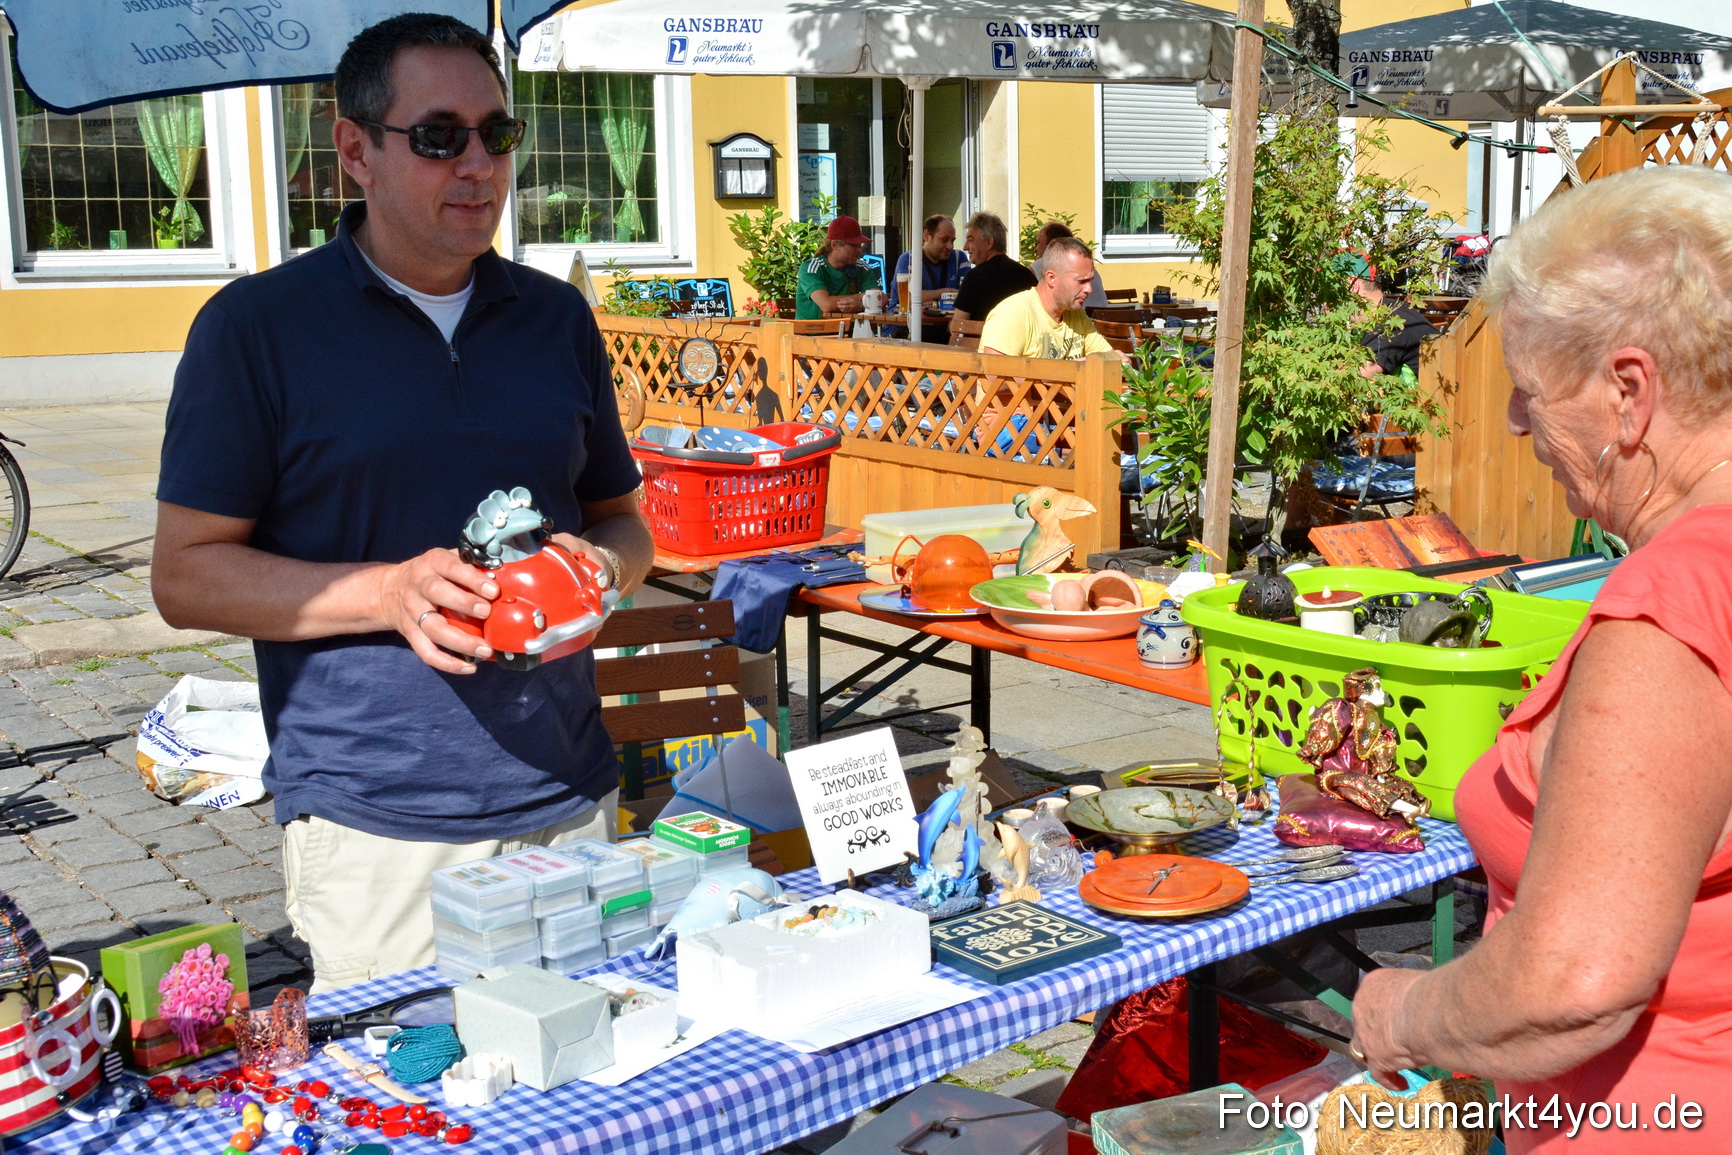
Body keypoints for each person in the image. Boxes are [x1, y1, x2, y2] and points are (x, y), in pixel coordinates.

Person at [150, 14, 654, 992]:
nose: (477, 164)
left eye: (495, 134)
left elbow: (623, 521)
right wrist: (387, 593)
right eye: (438, 136)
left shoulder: (554, 317)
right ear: (355, 151)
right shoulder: (257, 328)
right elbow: (185, 574)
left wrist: (602, 568)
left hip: (571, 792)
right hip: (382, 819)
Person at [1349, 165, 1732, 1153]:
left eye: (1529, 392)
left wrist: (1408, 1012)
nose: (1516, 425)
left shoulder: (1675, 597)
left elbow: (1577, 979)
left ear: (1628, 393)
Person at [980, 236, 1115, 361]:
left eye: (1090, 280)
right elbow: (995, 379)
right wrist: (1071, 370)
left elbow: (1112, 357)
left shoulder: (1076, 314)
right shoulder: (1013, 312)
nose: (1089, 289)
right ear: (1051, 278)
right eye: (1081, 281)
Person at [1341, 252, 1437, 380]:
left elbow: (1357, 377)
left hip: (1429, 398)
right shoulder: (1391, 309)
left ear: (1352, 285)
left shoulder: (1389, 322)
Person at [888, 214, 969, 343]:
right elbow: (908, 299)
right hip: (904, 329)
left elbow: (966, 297)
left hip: (945, 330)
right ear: (926, 236)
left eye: (952, 241)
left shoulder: (960, 258)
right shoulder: (908, 259)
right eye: (944, 240)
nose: (950, 246)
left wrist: (929, 298)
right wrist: (944, 293)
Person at [951, 211, 1036, 326]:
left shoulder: (974, 277)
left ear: (989, 243)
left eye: (971, 240)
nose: (965, 247)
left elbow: (958, 326)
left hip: (980, 343)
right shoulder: (1027, 276)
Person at [795, 215, 879, 320]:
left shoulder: (861, 267)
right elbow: (827, 305)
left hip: (849, 334)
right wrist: (864, 297)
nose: (859, 250)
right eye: (853, 246)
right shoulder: (811, 268)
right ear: (835, 245)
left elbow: (880, 300)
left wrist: (861, 305)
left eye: (860, 245)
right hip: (813, 334)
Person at [1033, 221, 1108, 309]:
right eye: (1081, 281)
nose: (1036, 248)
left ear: (1052, 245)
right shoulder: (1089, 269)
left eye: (1038, 243)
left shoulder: (1042, 264)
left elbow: (1023, 283)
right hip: (1102, 317)